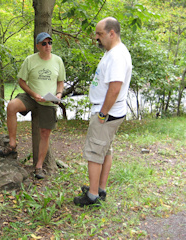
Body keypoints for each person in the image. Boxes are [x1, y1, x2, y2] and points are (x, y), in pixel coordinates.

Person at [74, 17, 132, 206]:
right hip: (110, 112)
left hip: (106, 114)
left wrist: (102, 113)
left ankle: (92, 196)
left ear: (112, 33)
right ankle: (100, 189)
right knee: (105, 151)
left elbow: (115, 88)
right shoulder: (113, 52)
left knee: (94, 152)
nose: (96, 38)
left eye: (99, 34)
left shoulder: (117, 56)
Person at [0, 32, 65, 179]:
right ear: (38, 46)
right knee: (11, 106)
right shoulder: (30, 60)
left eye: (50, 43)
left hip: (48, 101)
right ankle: (12, 145)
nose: (48, 46)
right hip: (31, 97)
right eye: (44, 43)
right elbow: (21, 81)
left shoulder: (58, 61)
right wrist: (33, 94)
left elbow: (60, 81)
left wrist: (59, 94)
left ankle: (39, 166)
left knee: (45, 133)